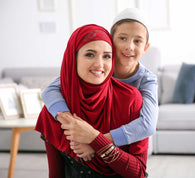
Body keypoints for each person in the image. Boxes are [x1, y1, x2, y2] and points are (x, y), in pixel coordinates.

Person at [35, 24, 148, 178]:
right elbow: (56, 174)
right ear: (72, 58)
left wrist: (95, 139)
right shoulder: (55, 109)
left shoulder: (130, 99)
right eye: (90, 54)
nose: (99, 64)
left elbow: (139, 173)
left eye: (107, 56)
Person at [41, 7, 158, 156]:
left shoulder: (147, 80)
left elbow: (147, 125)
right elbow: (50, 90)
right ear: (110, 40)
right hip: (91, 135)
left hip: (130, 143)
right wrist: (71, 122)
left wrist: (97, 142)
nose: (129, 46)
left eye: (137, 41)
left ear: (146, 48)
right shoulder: (100, 68)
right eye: (122, 38)